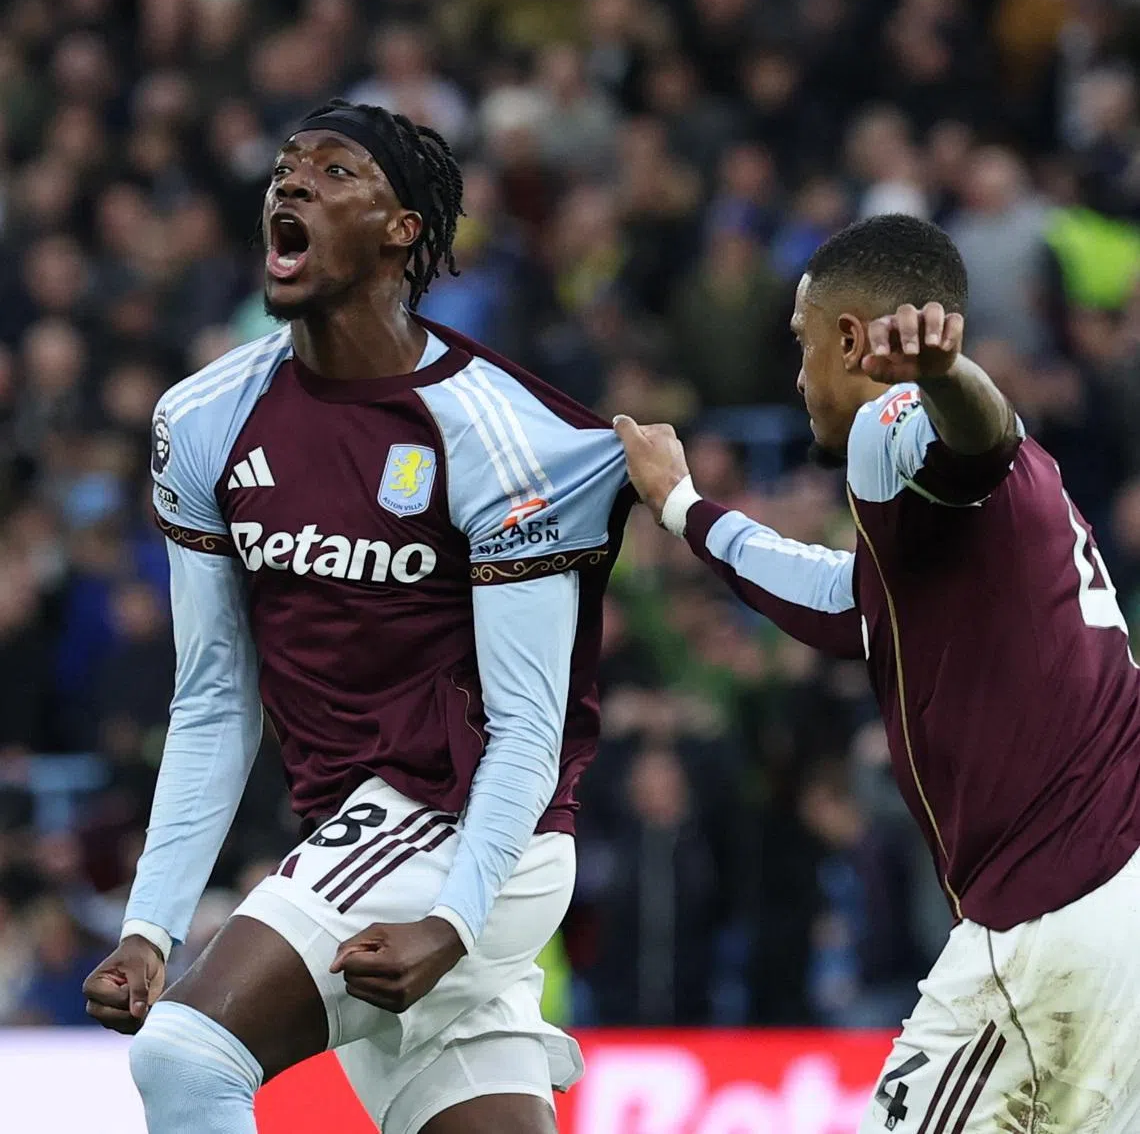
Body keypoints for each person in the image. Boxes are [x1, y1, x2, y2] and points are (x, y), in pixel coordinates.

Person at [81, 98, 632, 1134]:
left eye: (336, 174)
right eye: (287, 170)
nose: (291, 185)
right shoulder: (204, 421)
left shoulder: (503, 436)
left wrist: (453, 921)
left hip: (466, 828)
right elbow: (211, 700)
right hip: (363, 846)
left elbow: (528, 723)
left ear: (401, 232)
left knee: (187, 1058)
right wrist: (149, 926)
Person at [615, 214, 1140, 1131]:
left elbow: (977, 449)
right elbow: (843, 602)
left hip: (1047, 920)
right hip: (1115, 906)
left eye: (802, 342)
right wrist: (684, 507)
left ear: (851, 339)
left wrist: (944, 376)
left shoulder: (893, 420)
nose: (797, 373)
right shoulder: (1023, 496)